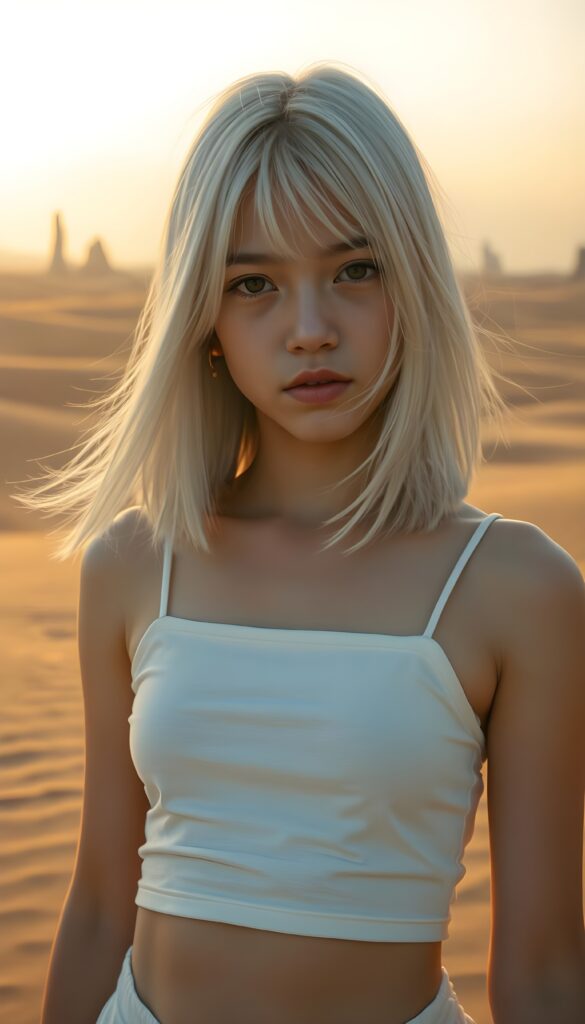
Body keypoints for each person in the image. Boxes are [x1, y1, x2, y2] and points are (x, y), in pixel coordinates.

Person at [18, 61, 584, 1024]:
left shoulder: (515, 587)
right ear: (204, 320)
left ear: (413, 284)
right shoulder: (133, 564)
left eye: (355, 270)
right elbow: (102, 906)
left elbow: (542, 973)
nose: (310, 329)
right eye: (254, 284)